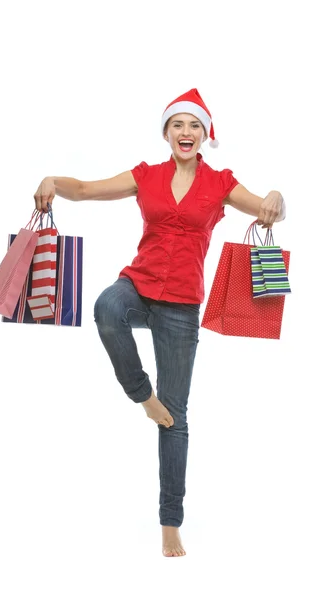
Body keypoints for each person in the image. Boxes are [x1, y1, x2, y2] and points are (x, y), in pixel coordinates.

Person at [33, 88, 286, 557]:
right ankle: (141, 396)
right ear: (166, 132)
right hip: (139, 285)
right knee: (107, 308)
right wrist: (52, 179)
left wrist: (275, 196)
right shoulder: (145, 176)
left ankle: (171, 522)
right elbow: (86, 190)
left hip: (182, 305)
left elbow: (267, 208)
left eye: (194, 126)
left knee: (177, 420)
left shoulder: (220, 183)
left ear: (205, 134)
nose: (185, 132)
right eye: (177, 125)